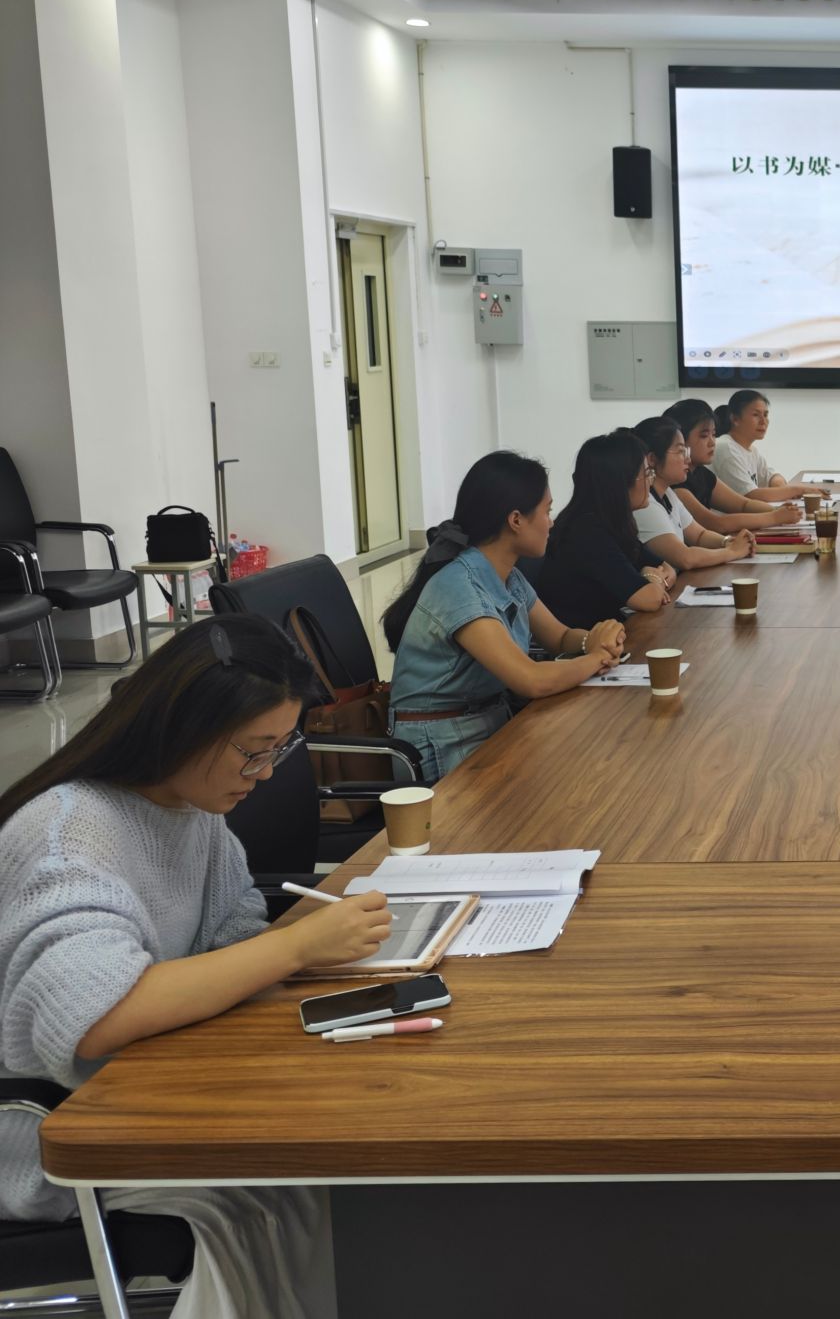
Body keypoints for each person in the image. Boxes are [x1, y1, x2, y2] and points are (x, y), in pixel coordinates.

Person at [0, 615, 396, 1318]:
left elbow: (232, 932)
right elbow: (93, 1016)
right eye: (254, 752)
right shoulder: (68, 834)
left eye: (279, 749)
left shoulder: (189, 808)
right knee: (274, 1189)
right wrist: (296, 947)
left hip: (148, 1079)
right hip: (53, 1126)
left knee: (325, 1153)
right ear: (182, 727)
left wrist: (303, 955)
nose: (265, 774)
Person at [386, 451, 627, 781]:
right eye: (547, 511)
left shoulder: (509, 576)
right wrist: (596, 657)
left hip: (491, 725)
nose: (551, 523)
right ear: (516, 520)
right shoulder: (460, 587)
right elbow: (531, 680)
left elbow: (558, 637)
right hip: (443, 746)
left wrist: (595, 639)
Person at [532, 430, 678, 631]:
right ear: (619, 483)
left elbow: (667, 568)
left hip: (609, 633)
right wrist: (651, 577)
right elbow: (649, 599)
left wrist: (652, 577)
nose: (650, 481)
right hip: (582, 641)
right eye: (646, 474)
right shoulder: (586, 532)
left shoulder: (613, 522)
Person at [630, 416, 756, 574]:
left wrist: (728, 541)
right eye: (680, 451)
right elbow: (685, 558)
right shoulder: (645, 503)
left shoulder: (667, 493)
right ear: (653, 459)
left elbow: (699, 535)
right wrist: (733, 552)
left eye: (686, 451)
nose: (688, 459)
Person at [661, 399, 804, 536]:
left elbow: (742, 504)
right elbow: (716, 524)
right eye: (704, 436)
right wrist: (774, 517)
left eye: (714, 434)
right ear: (680, 440)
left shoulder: (701, 473)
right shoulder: (676, 484)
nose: (712, 442)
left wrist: (777, 510)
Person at [711, 390, 810, 503]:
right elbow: (751, 495)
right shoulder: (726, 449)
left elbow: (772, 476)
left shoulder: (751, 450)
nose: (763, 421)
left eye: (766, 415)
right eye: (756, 415)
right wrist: (798, 490)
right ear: (735, 419)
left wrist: (782, 488)